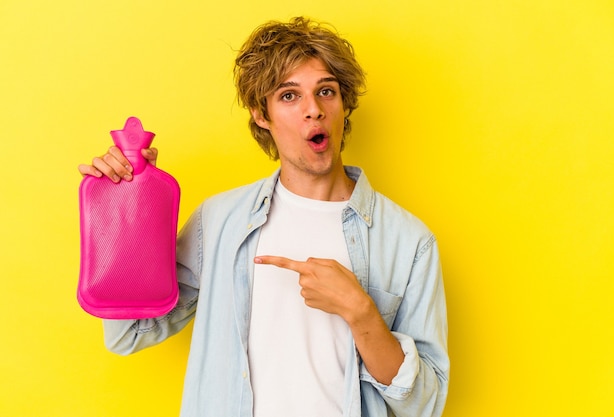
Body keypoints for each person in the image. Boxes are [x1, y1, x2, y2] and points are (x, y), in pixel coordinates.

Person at [78, 16, 449, 417]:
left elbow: (425, 404)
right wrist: (129, 207)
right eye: (289, 96)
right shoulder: (218, 222)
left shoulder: (409, 242)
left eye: (326, 91)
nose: (313, 110)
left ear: (344, 105)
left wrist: (361, 314)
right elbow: (131, 334)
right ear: (261, 114)